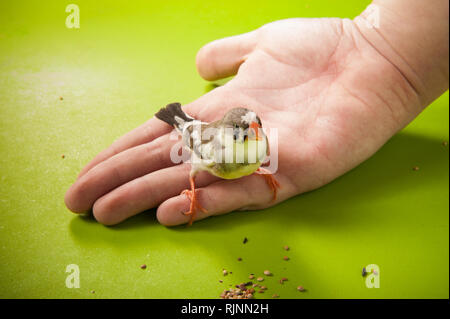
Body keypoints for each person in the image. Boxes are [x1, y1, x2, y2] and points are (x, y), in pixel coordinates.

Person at [64, 0, 449, 226]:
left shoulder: (260, 144)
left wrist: (391, 49)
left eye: (256, 127)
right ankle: (177, 122)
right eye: (245, 130)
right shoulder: (214, 151)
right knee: (194, 172)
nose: (254, 134)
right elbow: (197, 162)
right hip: (196, 138)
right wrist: (381, 42)